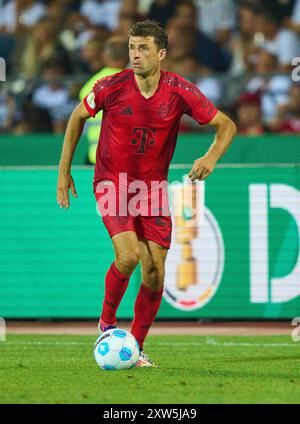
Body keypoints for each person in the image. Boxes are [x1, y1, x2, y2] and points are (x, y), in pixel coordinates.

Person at [57, 20, 237, 367]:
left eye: (143, 49)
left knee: (155, 272)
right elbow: (77, 117)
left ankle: (135, 347)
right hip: (112, 182)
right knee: (127, 257)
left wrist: (211, 155)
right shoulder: (111, 85)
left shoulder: (180, 90)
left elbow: (225, 124)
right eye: (131, 48)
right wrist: (64, 170)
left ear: (161, 54)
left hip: (152, 189)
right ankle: (106, 325)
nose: (135, 56)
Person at [79, 37, 129, 164]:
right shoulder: (135, 84)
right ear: (129, 57)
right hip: (123, 158)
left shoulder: (89, 86)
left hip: (95, 156)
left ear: (104, 56)